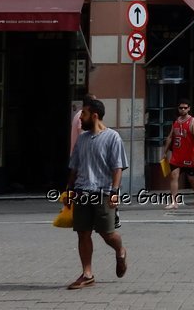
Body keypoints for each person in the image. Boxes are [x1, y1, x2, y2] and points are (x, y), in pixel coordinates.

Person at [65, 98, 128, 290]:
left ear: (94, 116)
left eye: (83, 114)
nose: (80, 118)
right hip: (82, 191)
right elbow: (74, 167)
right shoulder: (82, 139)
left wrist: (114, 192)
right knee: (83, 233)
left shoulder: (113, 137)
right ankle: (87, 274)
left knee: (107, 234)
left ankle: (120, 250)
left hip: (103, 192)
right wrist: (69, 190)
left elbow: (117, 168)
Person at [163, 99, 194, 209]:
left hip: (189, 155)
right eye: (181, 108)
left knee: (191, 178)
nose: (183, 109)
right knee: (173, 176)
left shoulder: (193, 121)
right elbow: (170, 137)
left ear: (189, 108)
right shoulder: (176, 121)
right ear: (178, 108)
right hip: (177, 155)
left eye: (185, 108)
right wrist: (165, 151)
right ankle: (174, 202)